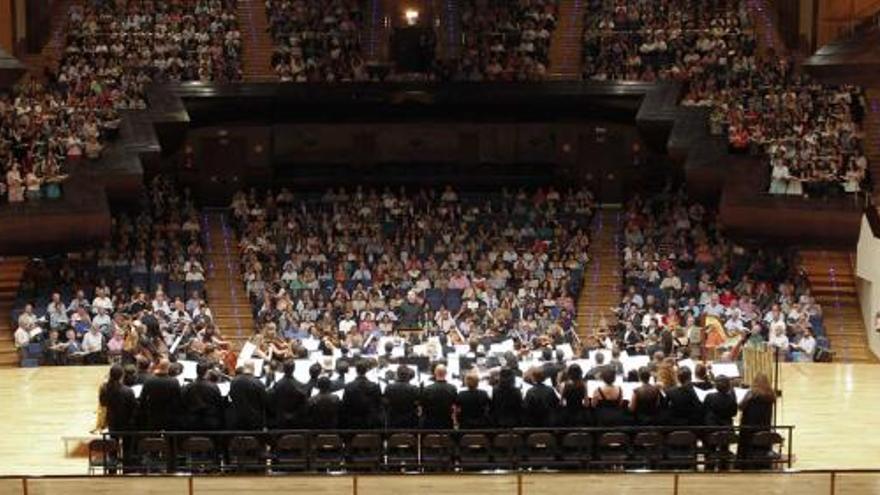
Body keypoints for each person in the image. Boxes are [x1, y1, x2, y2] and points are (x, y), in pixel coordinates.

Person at [737, 373, 777, 466]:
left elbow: (740, 407)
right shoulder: (771, 395)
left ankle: (743, 463)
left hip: (749, 430)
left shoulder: (751, 393)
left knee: (744, 435)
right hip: (764, 428)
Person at [180, 363, 225, 431]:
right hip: (210, 422)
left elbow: (183, 403)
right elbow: (219, 404)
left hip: (191, 422)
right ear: (207, 372)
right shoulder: (213, 387)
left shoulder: (188, 386)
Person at [139, 359, 181, 430]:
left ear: (158, 366)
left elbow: (142, 398)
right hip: (169, 415)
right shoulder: (174, 382)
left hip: (153, 414)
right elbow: (178, 400)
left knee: (153, 437)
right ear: (168, 368)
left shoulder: (149, 381)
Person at [341, 360, 383, 429]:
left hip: (353, 423)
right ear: (366, 370)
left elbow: (345, 405)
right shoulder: (375, 386)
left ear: (356, 370)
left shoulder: (349, 386)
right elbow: (378, 404)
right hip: (371, 423)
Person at [229, 361, 268, 430]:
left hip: (237, 419)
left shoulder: (234, 382)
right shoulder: (258, 383)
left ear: (244, 368)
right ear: (253, 368)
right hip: (254, 421)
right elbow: (264, 402)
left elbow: (231, 396)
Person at [269, 360, 309, 429]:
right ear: (294, 369)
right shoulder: (300, 386)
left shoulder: (277, 386)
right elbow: (304, 406)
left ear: (283, 369)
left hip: (280, 422)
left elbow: (271, 402)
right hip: (296, 423)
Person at [421, 364, 457, 429]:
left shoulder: (427, 389)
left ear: (435, 373)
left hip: (430, 426)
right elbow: (455, 406)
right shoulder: (452, 389)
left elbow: (423, 406)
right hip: (447, 425)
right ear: (446, 373)